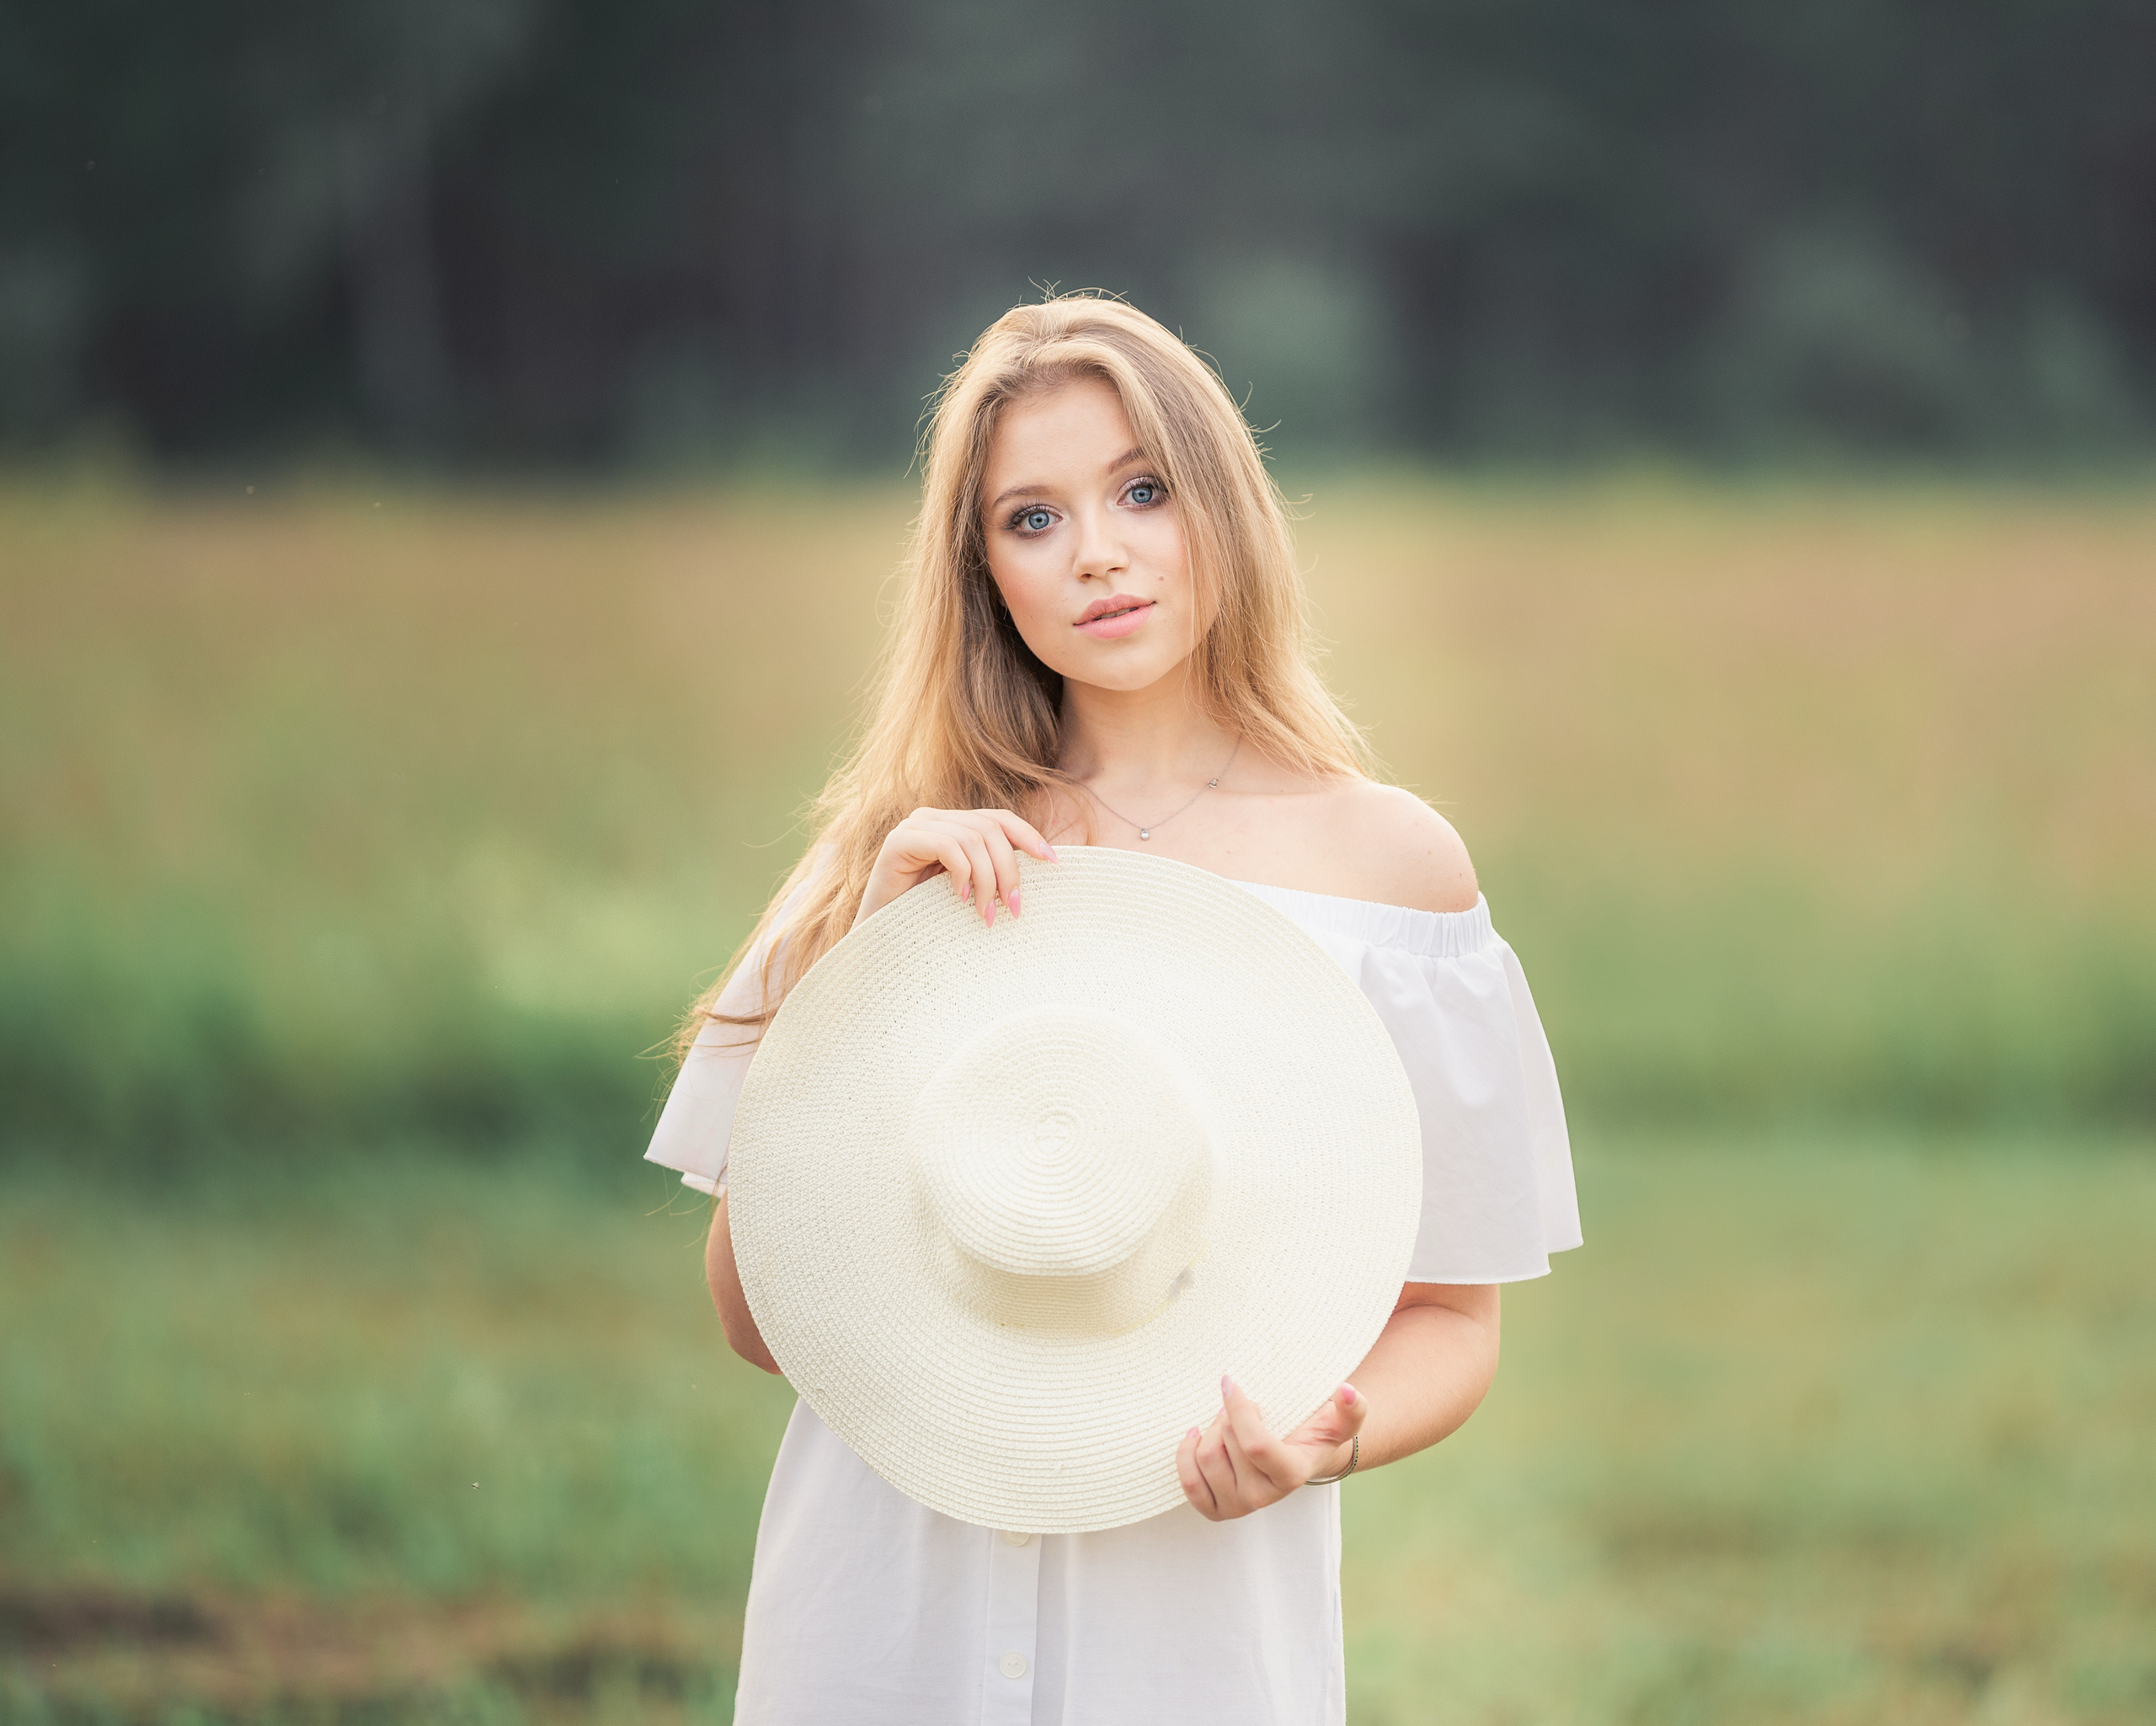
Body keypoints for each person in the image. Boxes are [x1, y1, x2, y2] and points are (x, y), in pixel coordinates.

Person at [644, 293, 1579, 1724]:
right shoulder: (898, 856)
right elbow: (755, 1315)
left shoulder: (1389, 872)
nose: (1097, 551)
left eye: (1143, 491)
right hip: (886, 1624)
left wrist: (1315, 1443)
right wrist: (866, 982)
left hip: (1191, 1633)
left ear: (1224, 504)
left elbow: (1452, 1316)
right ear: (984, 574)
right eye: (1032, 519)